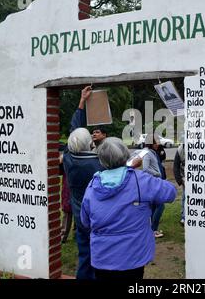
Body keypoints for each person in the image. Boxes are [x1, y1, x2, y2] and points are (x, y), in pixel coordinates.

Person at [80, 138, 176, 280]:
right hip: (133, 257)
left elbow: (85, 221)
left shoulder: (92, 185)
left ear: (101, 160)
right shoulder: (141, 180)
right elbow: (171, 192)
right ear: (126, 155)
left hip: (102, 257)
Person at [63, 128, 105, 279]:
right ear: (89, 143)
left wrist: (81, 105)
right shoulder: (97, 164)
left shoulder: (68, 159)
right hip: (96, 217)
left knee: (84, 257)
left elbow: (71, 143)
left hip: (79, 215)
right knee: (99, 257)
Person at [142, 134, 167, 238]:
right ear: (151, 143)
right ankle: (153, 230)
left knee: (153, 207)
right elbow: (145, 168)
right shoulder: (147, 153)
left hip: (156, 182)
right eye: (156, 142)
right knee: (160, 206)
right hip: (152, 183)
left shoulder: (153, 153)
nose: (158, 144)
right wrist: (157, 173)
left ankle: (151, 229)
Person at [70, 86, 108, 150]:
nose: (94, 134)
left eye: (97, 132)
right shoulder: (85, 150)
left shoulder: (108, 150)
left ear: (104, 135)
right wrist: (82, 99)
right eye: (93, 133)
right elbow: (76, 132)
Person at [173, 142, 185, 225]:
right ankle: (184, 217)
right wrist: (180, 180)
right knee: (186, 197)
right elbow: (176, 166)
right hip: (186, 177)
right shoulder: (181, 149)